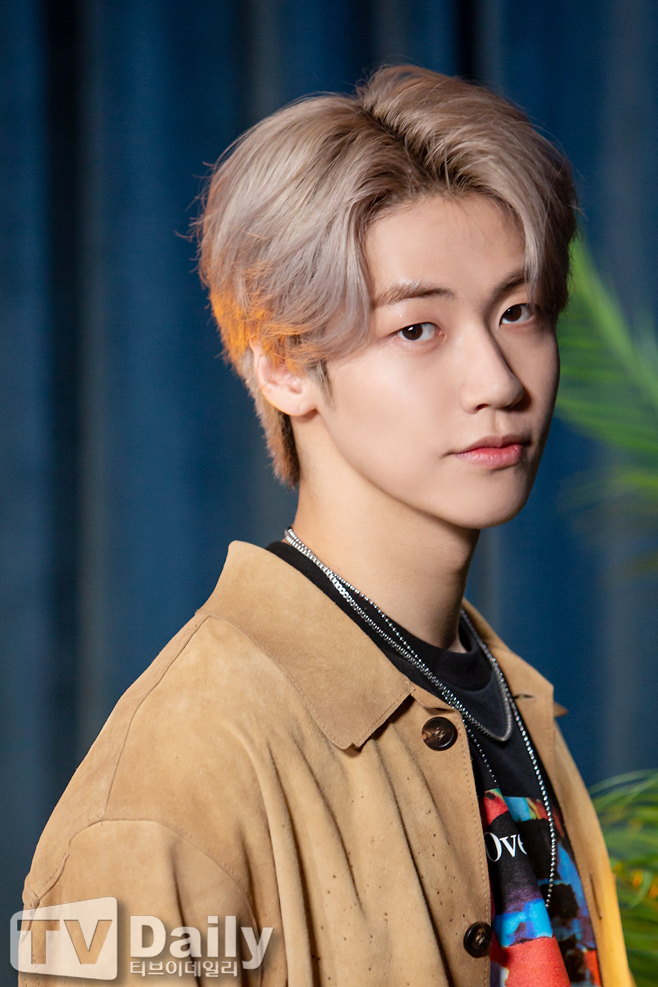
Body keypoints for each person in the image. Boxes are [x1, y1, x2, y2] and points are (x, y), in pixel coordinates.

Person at [20, 66, 632, 987]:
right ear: (282, 363)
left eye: (519, 312)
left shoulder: (510, 699)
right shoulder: (166, 785)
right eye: (418, 329)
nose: (499, 381)